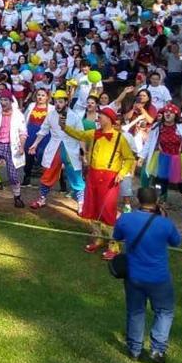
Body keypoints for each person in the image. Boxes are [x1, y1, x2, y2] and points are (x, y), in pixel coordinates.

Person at [112, 186, 181, 363]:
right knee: (164, 311)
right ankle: (157, 350)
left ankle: (134, 349)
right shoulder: (164, 223)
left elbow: (117, 235)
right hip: (159, 276)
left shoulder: (126, 219)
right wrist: (165, 219)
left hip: (134, 275)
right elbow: (176, 241)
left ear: (137, 200)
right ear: (157, 201)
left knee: (135, 311)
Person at [65, 105, 136, 259]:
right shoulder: (94, 134)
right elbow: (79, 134)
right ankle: (98, 238)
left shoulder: (119, 138)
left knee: (108, 211)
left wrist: (122, 173)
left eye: (102, 116)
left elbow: (130, 158)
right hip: (93, 176)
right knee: (93, 208)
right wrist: (64, 126)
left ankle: (113, 245)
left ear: (109, 119)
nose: (99, 118)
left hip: (110, 178)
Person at [139, 103, 182, 226]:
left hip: (180, 160)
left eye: (171, 112)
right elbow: (150, 143)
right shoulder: (157, 127)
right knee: (159, 187)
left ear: (175, 114)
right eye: (166, 112)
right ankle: (158, 212)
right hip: (162, 159)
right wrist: (141, 157)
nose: (168, 114)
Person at [29, 89, 86, 210]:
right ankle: (42, 199)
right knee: (48, 174)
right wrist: (35, 144)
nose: (58, 104)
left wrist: (83, 152)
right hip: (54, 148)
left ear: (66, 102)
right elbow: (43, 130)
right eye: (56, 102)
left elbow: (81, 136)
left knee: (76, 176)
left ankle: (81, 204)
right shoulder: (51, 115)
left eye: (60, 102)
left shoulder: (74, 117)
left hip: (71, 149)